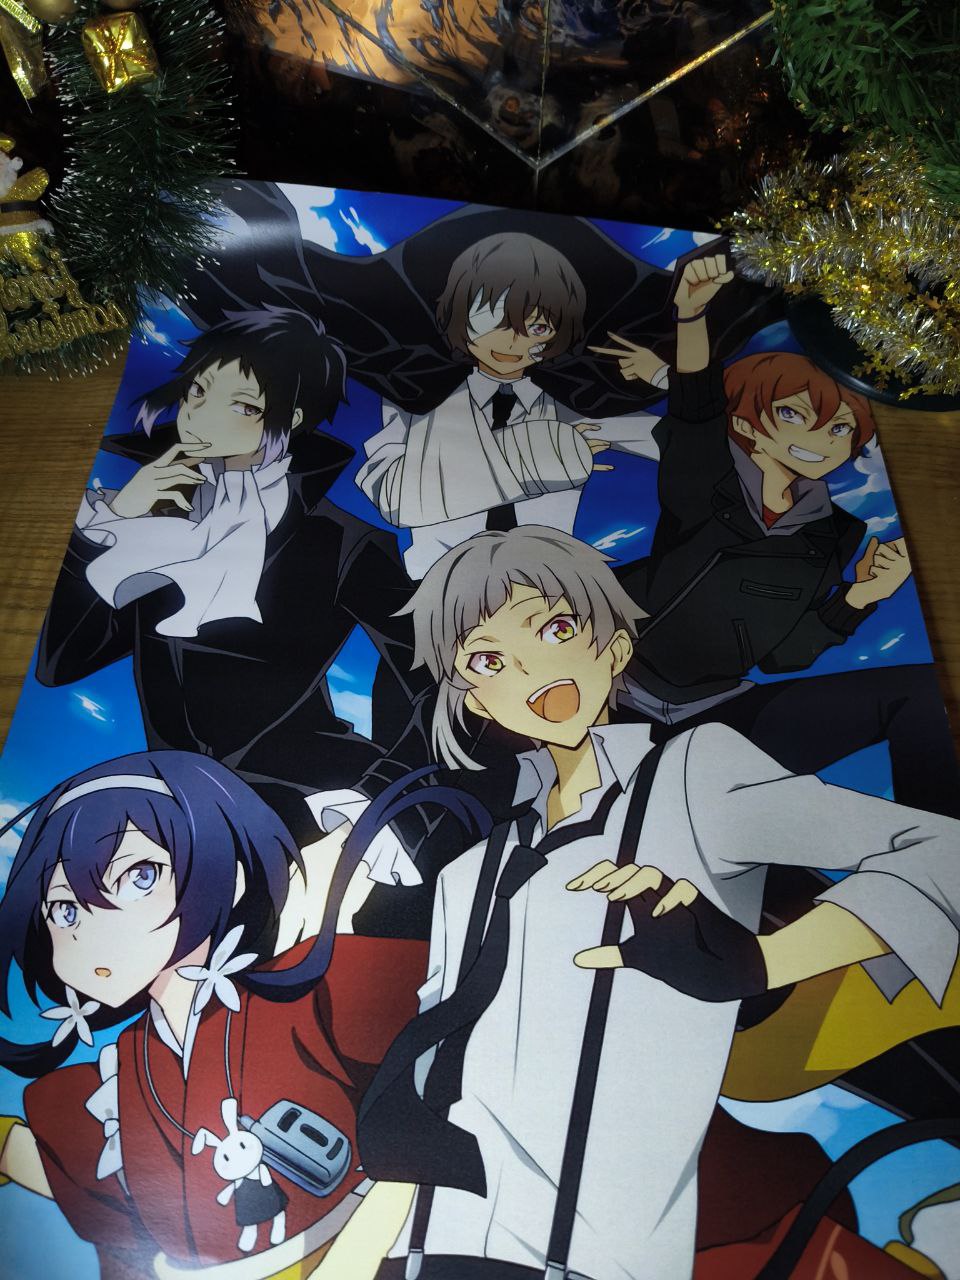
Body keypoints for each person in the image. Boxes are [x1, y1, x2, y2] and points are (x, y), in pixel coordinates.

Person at [312, 526, 960, 1280]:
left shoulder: (691, 779)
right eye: (488, 659)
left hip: (594, 1257)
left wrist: (761, 963)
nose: (531, 670)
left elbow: (940, 850)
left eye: (555, 629)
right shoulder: (469, 876)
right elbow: (435, 1093)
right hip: (430, 1247)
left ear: (615, 646)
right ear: (474, 697)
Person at [0, 750, 427, 1278]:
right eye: (65, 910)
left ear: (231, 872)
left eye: (140, 876)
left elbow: (458, 1007)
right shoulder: (122, 1070)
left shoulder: (313, 987)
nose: (96, 928)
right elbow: (78, 1175)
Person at [35, 307, 429, 845]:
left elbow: (435, 680)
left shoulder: (343, 542)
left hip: (318, 803)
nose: (200, 417)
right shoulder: (154, 520)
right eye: (197, 392)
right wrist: (112, 525)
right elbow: (60, 664)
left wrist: (381, 795)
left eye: (242, 405)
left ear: (290, 419)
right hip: (187, 811)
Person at [598, 253, 960, 818]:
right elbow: (696, 410)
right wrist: (691, 318)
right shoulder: (705, 480)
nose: (822, 438)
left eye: (841, 429)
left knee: (919, 692)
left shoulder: (835, 532)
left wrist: (862, 594)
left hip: (721, 718)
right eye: (794, 416)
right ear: (745, 424)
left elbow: (785, 655)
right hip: (613, 699)